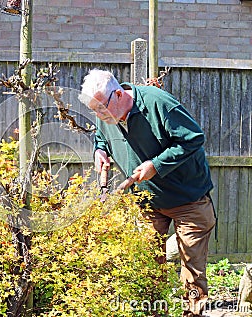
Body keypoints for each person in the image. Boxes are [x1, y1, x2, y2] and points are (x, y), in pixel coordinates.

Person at [78, 69, 216, 317]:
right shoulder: (106, 109)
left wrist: (157, 165)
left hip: (189, 199)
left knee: (192, 272)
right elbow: (101, 137)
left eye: (101, 109)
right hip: (147, 202)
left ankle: (193, 314)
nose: (98, 115)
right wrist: (100, 150)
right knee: (148, 268)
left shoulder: (158, 104)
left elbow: (193, 138)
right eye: (94, 111)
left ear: (119, 94)